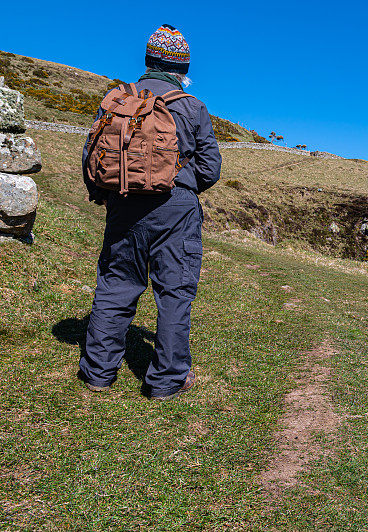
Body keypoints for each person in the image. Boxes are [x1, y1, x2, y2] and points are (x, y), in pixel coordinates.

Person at [78, 24, 222, 400]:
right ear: (181, 68)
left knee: (116, 285)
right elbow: (210, 168)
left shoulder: (116, 101)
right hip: (176, 209)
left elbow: (91, 153)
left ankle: (97, 373)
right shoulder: (191, 107)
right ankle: (166, 381)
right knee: (174, 292)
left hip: (123, 203)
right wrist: (182, 188)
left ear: (148, 61)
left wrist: (105, 195)